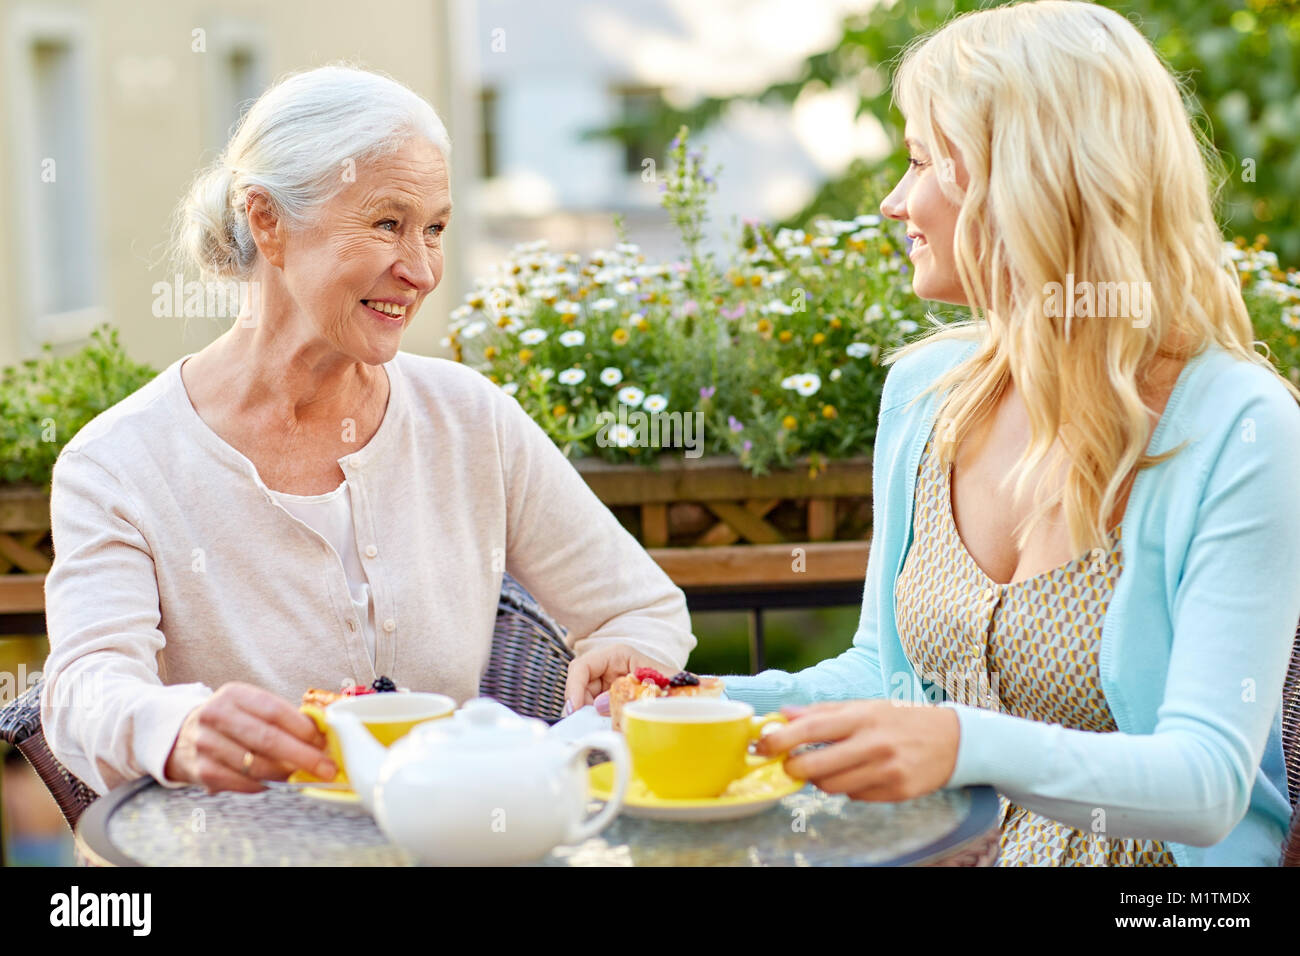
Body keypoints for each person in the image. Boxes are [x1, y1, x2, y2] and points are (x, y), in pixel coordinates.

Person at [725, 0, 1300, 866]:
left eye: (921, 161)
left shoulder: (1239, 428)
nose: (894, 200)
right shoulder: (927, 394)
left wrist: (962, 744)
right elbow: (883, 675)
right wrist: (706, 698)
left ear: (1029, 180)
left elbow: (1208, 783)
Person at [41, 64, 695, 798]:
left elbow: (640, 606)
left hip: (450, 839)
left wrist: (626, 653)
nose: (420, 270)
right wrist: (176, 728)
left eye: (436, 229)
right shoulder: (120, 462)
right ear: (267, 221)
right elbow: (82, 689)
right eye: (388, 224)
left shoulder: (469, 418)